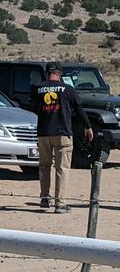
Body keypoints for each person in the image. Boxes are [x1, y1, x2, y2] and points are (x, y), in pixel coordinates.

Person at [31, 61, 94, 214]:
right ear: (60, 74)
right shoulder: (68, 89)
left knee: (44, 167)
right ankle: (60, 204)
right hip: (63, 133)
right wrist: (88, 126)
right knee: (62, 168)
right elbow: (79, 109)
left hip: (44, 133)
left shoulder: (37, 89)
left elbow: (34, 109)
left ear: (46, 73)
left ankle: (45, 198)